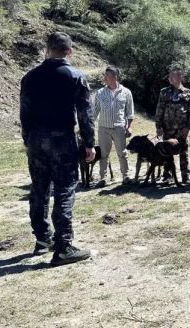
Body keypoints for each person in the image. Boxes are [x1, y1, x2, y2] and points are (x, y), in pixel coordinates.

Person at [20, 32, 94, 266]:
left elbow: (25, 113)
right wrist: (89, 143)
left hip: (36, 139)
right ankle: (63, 246)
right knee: (64, 189)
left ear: (47, 49)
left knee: (39, 188)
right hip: (62, 138)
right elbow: (85, 114)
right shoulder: (75, 76)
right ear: (69, 51)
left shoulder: (30, 77)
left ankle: (42, 237)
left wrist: (27, 139)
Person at [93, 66, 135, 187]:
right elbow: (94, 112)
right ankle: (103, 178)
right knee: (103, 154)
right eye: (104, 75)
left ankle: (126, 176)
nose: (104, 78)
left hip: (119, 127)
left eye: (107, 75)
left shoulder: (126, 92)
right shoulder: (100, 93)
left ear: (115, 77)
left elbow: (130, 112)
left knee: (122, 153)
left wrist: (130, 126)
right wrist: (88, 126)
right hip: (103, 128)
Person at [154, 66, 190, 184]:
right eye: (170, 76)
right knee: (167, 154)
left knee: (183, 153)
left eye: (173, 76)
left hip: (182, 129)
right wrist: (158, 127)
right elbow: (159, 110)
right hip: (167, 129)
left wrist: (188, 128)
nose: (170, 78)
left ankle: (185, 177)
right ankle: (168, 176)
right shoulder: (164, 92)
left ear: (180, 77)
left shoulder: (188, 93)